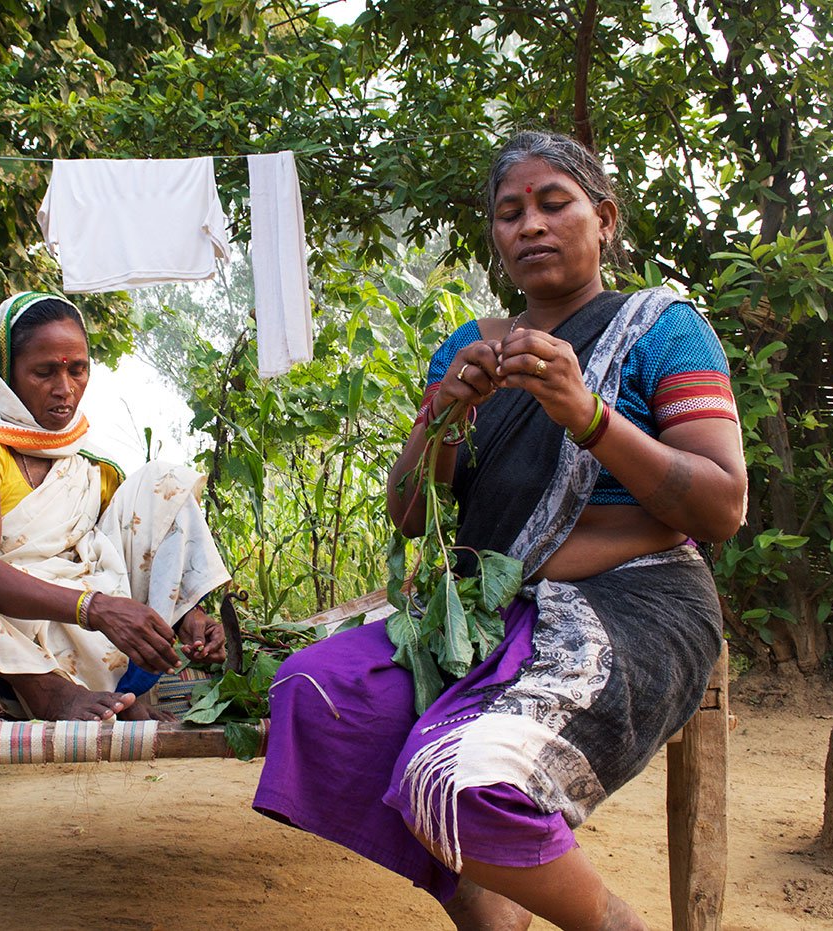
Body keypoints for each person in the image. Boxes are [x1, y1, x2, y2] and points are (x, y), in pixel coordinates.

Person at [253, 131, 747, 931]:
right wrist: (447, 414)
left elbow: (722, 505)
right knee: (313, 694)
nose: (531, 226)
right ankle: (488, 912)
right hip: (485, 608)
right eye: (510, 213)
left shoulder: (663, 329)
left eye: (555, 203)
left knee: (461, 776)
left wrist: (588, 415)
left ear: (605, 218)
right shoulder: (469, 344)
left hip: (634, 605)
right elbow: (411, 514)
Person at [0, 291, 231, 722]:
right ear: (5, 376)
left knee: (161, 480)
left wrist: (188, 616)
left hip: (88, 651)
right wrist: (96, 608)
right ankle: (44, 689)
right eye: (44, 372)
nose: (64, 390)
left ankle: (122, 682)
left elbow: (126, 561)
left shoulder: (88, 465)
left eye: (78, 370)